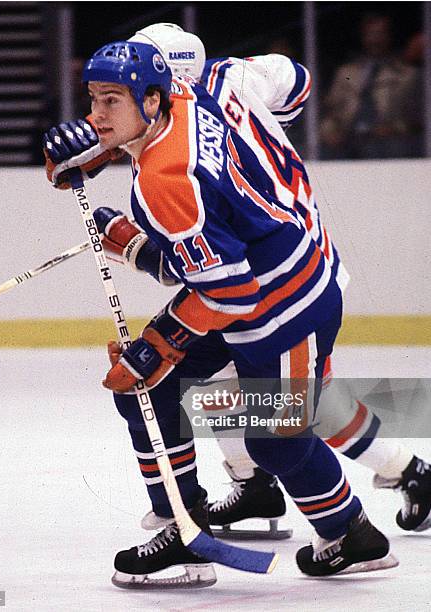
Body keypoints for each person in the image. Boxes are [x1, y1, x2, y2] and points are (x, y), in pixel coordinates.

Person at [44, 39, 398, 587]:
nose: (95, 114)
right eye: (93, 99)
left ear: (154, 99)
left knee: (275, 439)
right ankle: (183, 531)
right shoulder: (189, 98)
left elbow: (229, 294)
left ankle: (352, 535)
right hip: (263, 276)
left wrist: (157, 345)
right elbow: (208, 263)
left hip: (287, 302)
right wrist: (95, 147)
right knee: (148, 390)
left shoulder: (167, 181)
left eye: (111, 101)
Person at [320, 13, 421, 159]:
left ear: (390, 36)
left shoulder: (407, 75)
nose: (375, 40)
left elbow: (416, 119)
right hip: (349, 139)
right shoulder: (346, 73)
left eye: (380, 34)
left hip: (389, 141)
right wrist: (329, 132)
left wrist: (392, 129)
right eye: (370, 34)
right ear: (362, 36)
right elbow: (331, 112)